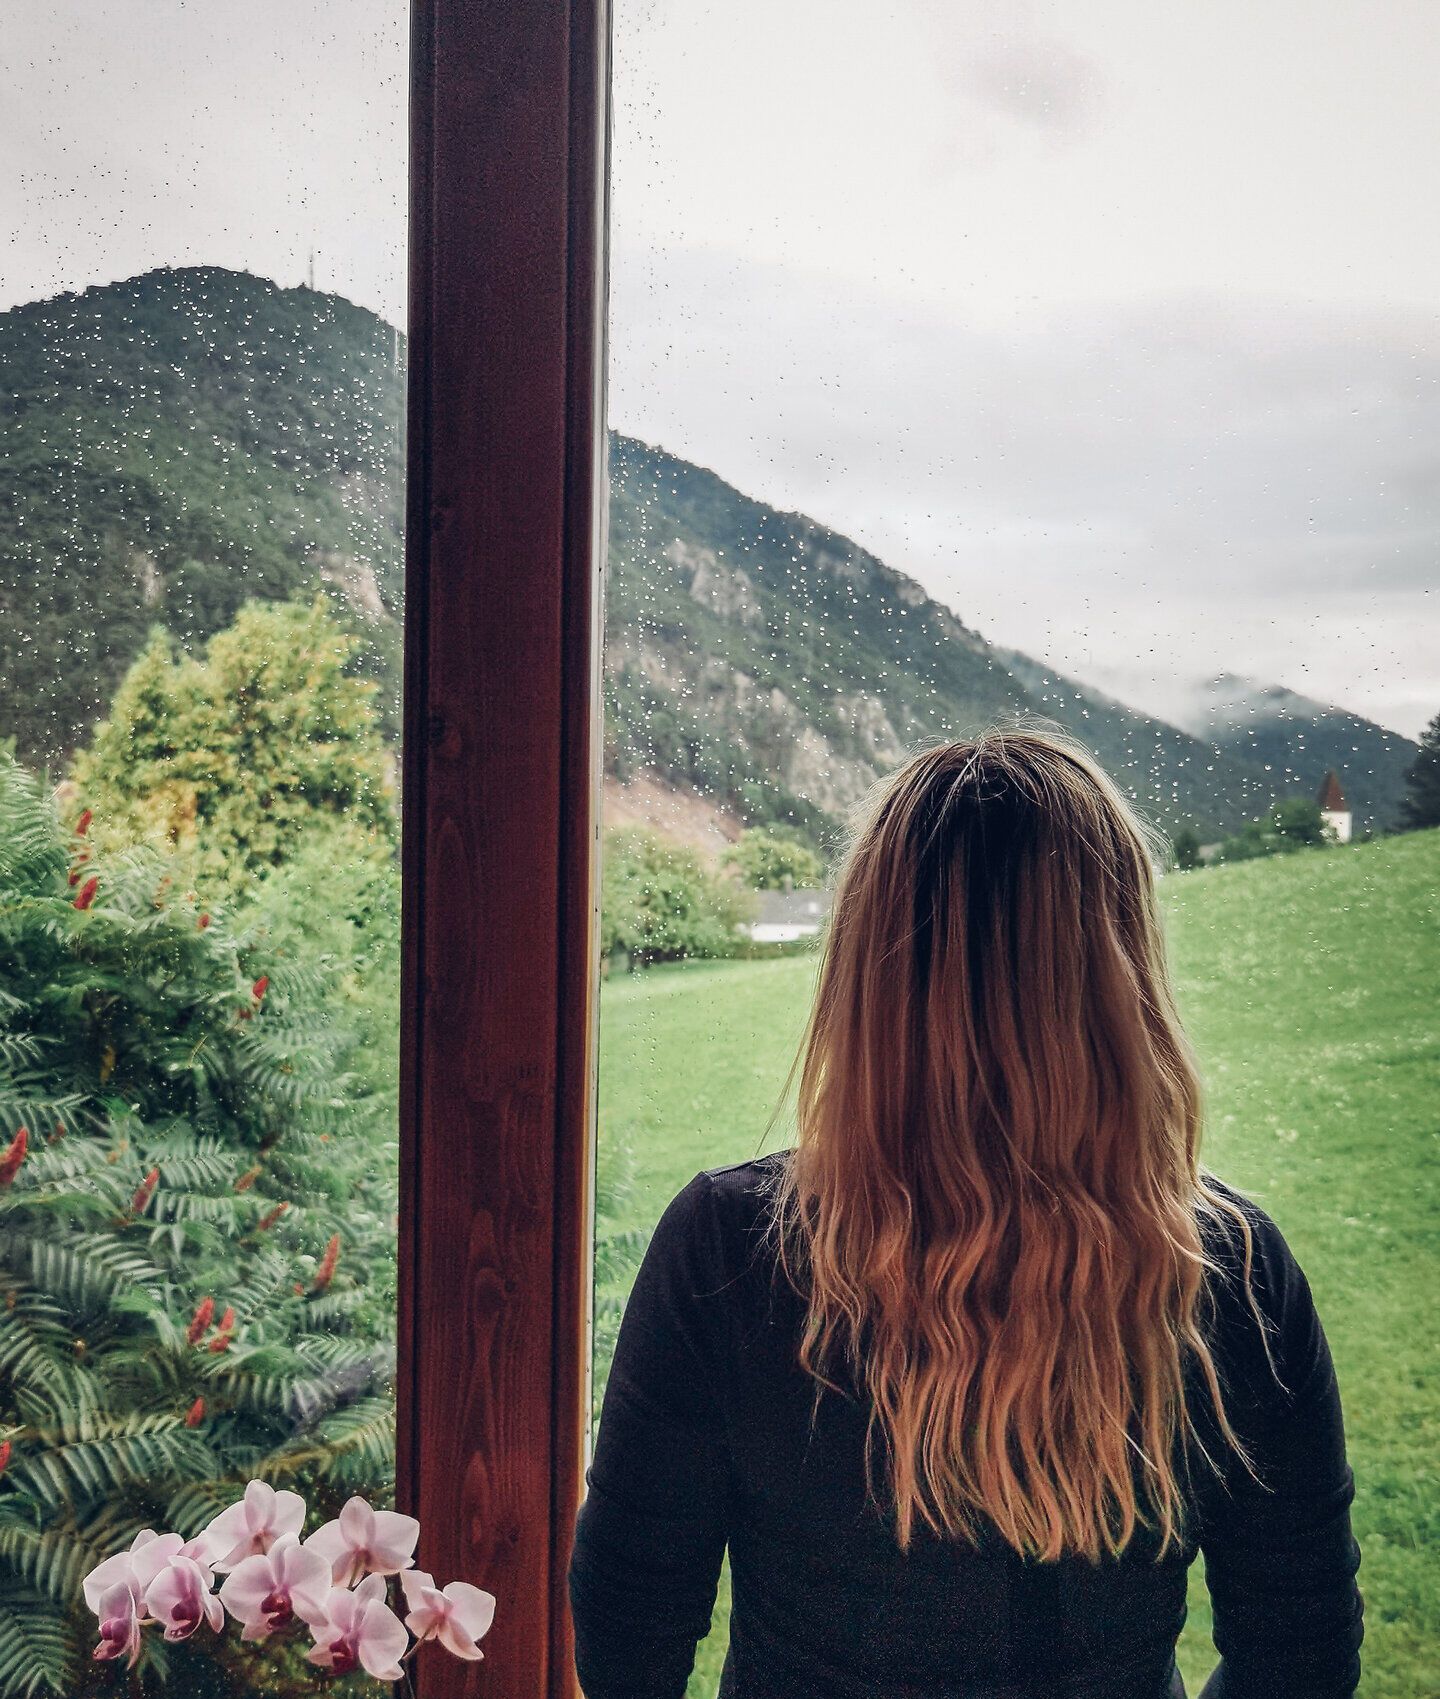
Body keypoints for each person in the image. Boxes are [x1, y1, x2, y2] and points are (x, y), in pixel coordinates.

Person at [568, 729, 1363, 1699]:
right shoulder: (1233, 1269)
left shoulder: (730, 1249)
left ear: (866, 972)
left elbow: (628, 1624)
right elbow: (1301, 1647)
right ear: (1124, 978)